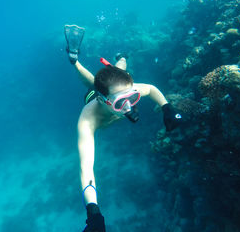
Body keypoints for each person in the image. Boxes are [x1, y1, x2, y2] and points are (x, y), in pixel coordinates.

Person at [64, 24, 182, 232]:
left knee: (120, 69)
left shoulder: (128, 89)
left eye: (133, 97)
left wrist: (167, 108)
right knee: (92, 84)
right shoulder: (87, 121)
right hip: (95, 96)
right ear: (106, 102)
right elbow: (87, 168)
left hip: (112, 87)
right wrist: (93, 211)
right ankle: (74, 60)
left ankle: (121, 55)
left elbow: (152, 89)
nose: (129, 106)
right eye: (121, 103)